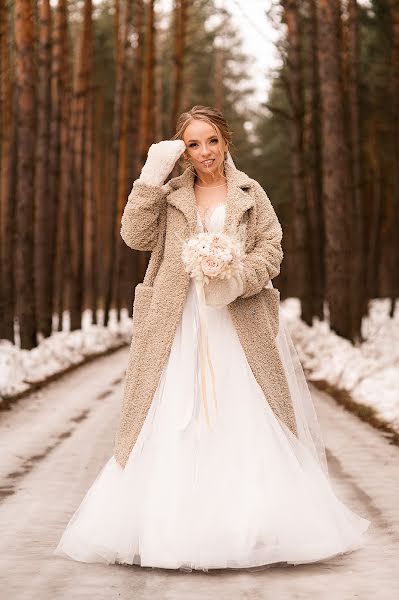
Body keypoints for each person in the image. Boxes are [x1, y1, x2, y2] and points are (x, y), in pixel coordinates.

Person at [53, 105, 370, 572]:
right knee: (177, 416)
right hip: (176, 324)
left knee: (242, 413)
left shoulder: (249, 192)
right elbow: (134, 236)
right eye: (193, 144)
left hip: (236, 325)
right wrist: (150, 176)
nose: (205, 152)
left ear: (226, 141)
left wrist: (236, 275)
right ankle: (172, 528)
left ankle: (251, 527)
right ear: (182, 151)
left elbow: (272, 250)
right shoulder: (169, 194)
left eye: (213, 141)